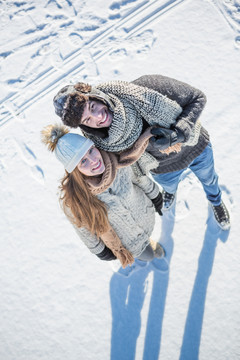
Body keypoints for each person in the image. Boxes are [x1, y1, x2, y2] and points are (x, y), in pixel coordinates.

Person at [53, 74, 230, 231]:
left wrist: (179, 132)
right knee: (169, 186)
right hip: (163, 171)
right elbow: (101, 166)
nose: (98, 117)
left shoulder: (145, 88)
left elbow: (197, 98)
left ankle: (216, 201)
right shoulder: (101, 142)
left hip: (196, 149)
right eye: (87, 119)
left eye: (93, 107)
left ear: (97, 96)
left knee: (209, 180)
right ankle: (170, 192)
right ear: (83, 125)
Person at [41, 123, 167, 274]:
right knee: (148, 255)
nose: (94, 160)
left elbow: (141, 180)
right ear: (75, 170)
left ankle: (149, 241)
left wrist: (156, 197)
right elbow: (84, 230)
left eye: (91, 151)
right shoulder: (75, 201)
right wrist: (101, 251)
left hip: (145, 215)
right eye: (83, 161)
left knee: (150, 234)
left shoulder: (119, 163)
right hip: (128, 241)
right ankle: (149, 248)